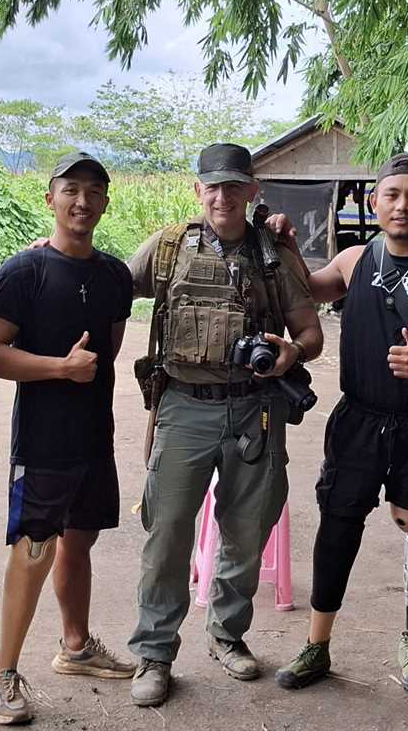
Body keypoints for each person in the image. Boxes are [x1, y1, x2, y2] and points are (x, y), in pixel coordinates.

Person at [265, 153, 408, 693]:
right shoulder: (354, 260)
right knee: (337, 524)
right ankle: (316, 645)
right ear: (374, 202)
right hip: (359, 419)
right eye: (392, 194)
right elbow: (311, 289)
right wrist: (287, 244)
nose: (403, 205)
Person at [124, 143, 324, 707]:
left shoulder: (273, 255)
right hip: (184, 406)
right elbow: (106, 283)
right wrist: (56, 254)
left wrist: (290, 353)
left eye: (234, 186)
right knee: (166, 533)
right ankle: (155, 652)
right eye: (212, 186)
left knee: (247, 529)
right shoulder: (167, 248)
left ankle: (227, 635)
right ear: (197, 190)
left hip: (255, 408)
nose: (221, 196)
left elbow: (312, 334)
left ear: (251, 192)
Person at [0, 152, 137, 725]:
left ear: (105, 202)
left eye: (94, 191)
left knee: (80, 542)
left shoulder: (115, 274)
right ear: (50, 199)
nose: (82, 201)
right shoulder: (25, 271)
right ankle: (2, 673)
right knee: (34, 547)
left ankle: (75, 647)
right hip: (42, 440)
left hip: (94, 437)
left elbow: (112, 347)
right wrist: (58, 369)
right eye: (71, 189)